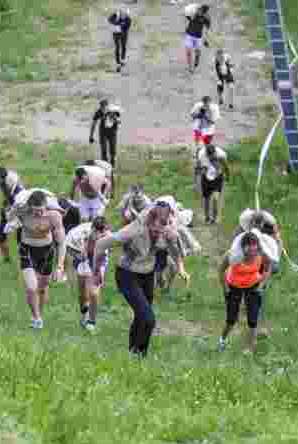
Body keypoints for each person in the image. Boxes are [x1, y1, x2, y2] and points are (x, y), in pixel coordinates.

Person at [94, 199, 184, 356]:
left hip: (147, 275)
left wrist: (180, 267)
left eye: (165, 225)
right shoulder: (134, 230)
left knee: (141, 315)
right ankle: (139, 354)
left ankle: (134, 352)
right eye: (158, 226)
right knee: (149, 319)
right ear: (150, 221)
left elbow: (174, 250)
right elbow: (101, 244)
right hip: (127, 275)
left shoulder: (166, 230)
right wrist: (96, 271)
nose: (161, 230)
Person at [3, 188, 67, 330]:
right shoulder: (23, 212)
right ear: (29, 208)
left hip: (47, 251)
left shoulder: (54, 216)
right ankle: (37, 319)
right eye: (35, 210)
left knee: (43, 288)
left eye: (41, 210)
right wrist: (12, 219)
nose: (38, 213)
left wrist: (60, 266)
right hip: (27, 249)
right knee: (32, 287)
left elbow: (62, 243)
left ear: (46, 206)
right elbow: (9, 217)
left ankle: (39, 314)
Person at [218, 232, 273, 353]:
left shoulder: (261, 254)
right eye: (249, 249)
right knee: (231, 319)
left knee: (253, 319)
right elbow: (221, 270)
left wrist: (262, 285)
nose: (253, 253)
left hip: (253, 285)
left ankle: (251, 347)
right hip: (233, 285)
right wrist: (225, 287)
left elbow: (269, 267)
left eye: (255, 248)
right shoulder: (233, 255)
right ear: (243, 248)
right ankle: (222, 340)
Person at [65, 215, 112, 332]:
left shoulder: (109, 237)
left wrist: (98, 271)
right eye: (97, 231)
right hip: (81, 258)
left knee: (94, 292)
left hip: (98, 259)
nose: (100, 234)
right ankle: (84, 314)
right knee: (82, 293)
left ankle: (92, 322)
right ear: (92, 228)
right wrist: (78, 256)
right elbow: (68, 248)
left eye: (103, 231)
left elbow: (108, 251)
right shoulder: (77, 233)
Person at [0, 166, 25, 263]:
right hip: (9, 208)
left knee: (20, 237)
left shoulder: (14, 185)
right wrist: (5, 207)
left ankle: (24, 260)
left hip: (19, 209)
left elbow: (16, 201)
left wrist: (9, 208)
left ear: (2, 178)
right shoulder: (3, 181)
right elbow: (6, 195)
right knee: (0, 235)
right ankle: (6, 259)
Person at [195, 135, 228, 225]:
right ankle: (207, 217)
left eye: (212, 156)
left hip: (217, 178)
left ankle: (214, 218)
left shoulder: (221, 154)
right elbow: (197, 167)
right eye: (209, 156)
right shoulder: (201, 154)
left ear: (215, 153)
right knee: (206, 199)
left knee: (215, 199)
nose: (210, 158)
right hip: (206, 177)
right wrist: (201, 173)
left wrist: (226, 175)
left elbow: (225, 166)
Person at [89, 98, 122, 166]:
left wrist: (114, 117)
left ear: (107, 106)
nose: (102, 109)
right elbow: (94, 124)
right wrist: (91, 136)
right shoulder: (98, 112)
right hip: (103, 132)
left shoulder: (114, 111)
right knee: (103, 150)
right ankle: (105, 165)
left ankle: (112, 166)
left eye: (104, 107)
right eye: (101, 107)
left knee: (113, 150)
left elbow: (119, 122)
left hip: (112, 132)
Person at [182, 3, 211, 73]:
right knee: (188, 51)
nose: (199, 11)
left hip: (198, 37)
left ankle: (196, 62)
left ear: (205, 12)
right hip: (189, 35)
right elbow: (186, 17)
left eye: (201, 11)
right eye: (199, 10)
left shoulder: (207, 18)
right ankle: (190, 67)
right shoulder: (193, 13)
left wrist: (205, 39)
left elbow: (207, 29)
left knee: (197, 52)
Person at [108, 8, 132, 72]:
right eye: (123, 15)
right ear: (121, 13)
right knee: (117, 47)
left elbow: (127, 27)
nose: (123, 16)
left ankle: (123, 59)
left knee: (123, 46)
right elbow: (109, 19)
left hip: (123, 34)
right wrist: (116, 21)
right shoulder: (116, 15)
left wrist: (120, 25)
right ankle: (118, 62)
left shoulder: (128, 19)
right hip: (116, 33)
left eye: (125, 15)